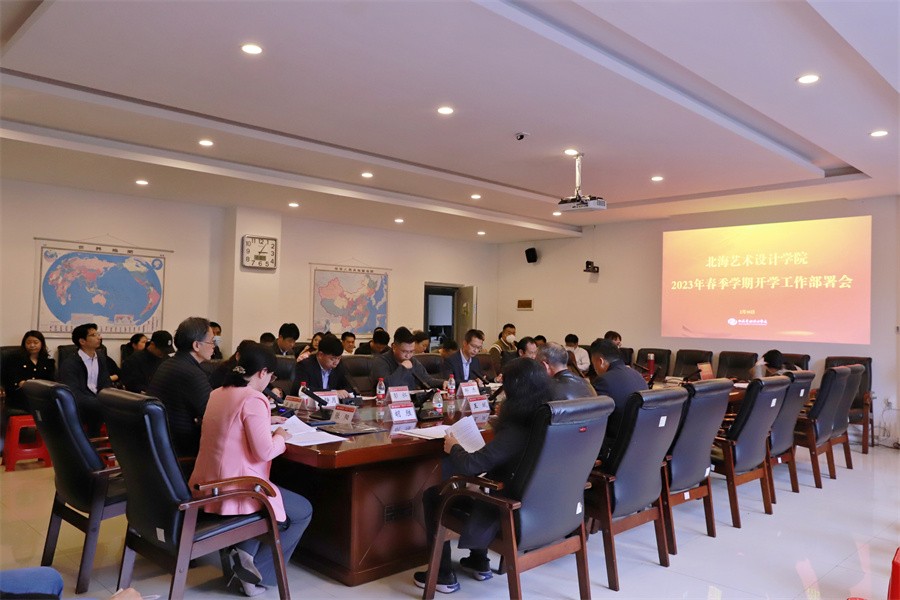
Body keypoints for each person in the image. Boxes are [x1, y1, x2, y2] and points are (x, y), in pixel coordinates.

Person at [413, 358, 552, 593]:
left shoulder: (517, 429)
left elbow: (471, 465)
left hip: (507, 513)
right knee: (481, 488)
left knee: (435, 495)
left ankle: (442, 575)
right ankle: (479, 561)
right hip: (537, 509)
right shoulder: (544, 418)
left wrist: (454, 447)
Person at [189, 343, 312, 597]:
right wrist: (280, 436)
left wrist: (266, 421)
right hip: (237, 487)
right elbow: (264, 452)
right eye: (271, 376)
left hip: (208, 482)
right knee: (301, 511)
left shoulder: (218, 392)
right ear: (262, 372)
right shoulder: (254, 399)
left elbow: (233, 426)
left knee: (265, 501)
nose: (269, 381)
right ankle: (257, 572)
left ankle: (244, 557)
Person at [147, 317, 215, 459]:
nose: (214, 346)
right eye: (211, 341)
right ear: (196, 345)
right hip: (182, 451)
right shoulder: (192, 373)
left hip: (161, 446)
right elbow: (213, 415)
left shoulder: (169, 363)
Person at [57, 323, 112, 436]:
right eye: (93, 335)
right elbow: (73, 392)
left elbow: (106, 383)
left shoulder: (101, 357)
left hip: (99, 401)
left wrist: (108, 399)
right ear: (82, 341)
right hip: (80, 405)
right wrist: (99, 403)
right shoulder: (70, 363)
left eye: (98, 334)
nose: (99, 337)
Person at [589, 338, 647, 439]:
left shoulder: (603, 381)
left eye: (593, 364)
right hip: (639, 437)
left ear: (600, 361)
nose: (595, 369)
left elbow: (593, 416)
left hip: (615, 441)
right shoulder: (637, 375)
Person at [371, 327, 445, 390]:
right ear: (394, 347)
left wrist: (443, 383)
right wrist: (403, 368)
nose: (408, 356)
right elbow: (386, 386)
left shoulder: (412, 361)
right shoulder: (381, 361)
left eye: (411, 351)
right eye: (404, 351)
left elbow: (427, 380)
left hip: (411, 399)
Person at [5, 330, 55, 412]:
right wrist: (21, 383)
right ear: (24, 344)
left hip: (42, 394)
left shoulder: (48, 362)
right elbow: (11, 378)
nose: (32, 345)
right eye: (28, 343)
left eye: (36, 342)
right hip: (21, 394)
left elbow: (51, 381)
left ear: (42, 343)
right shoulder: (14, 359)